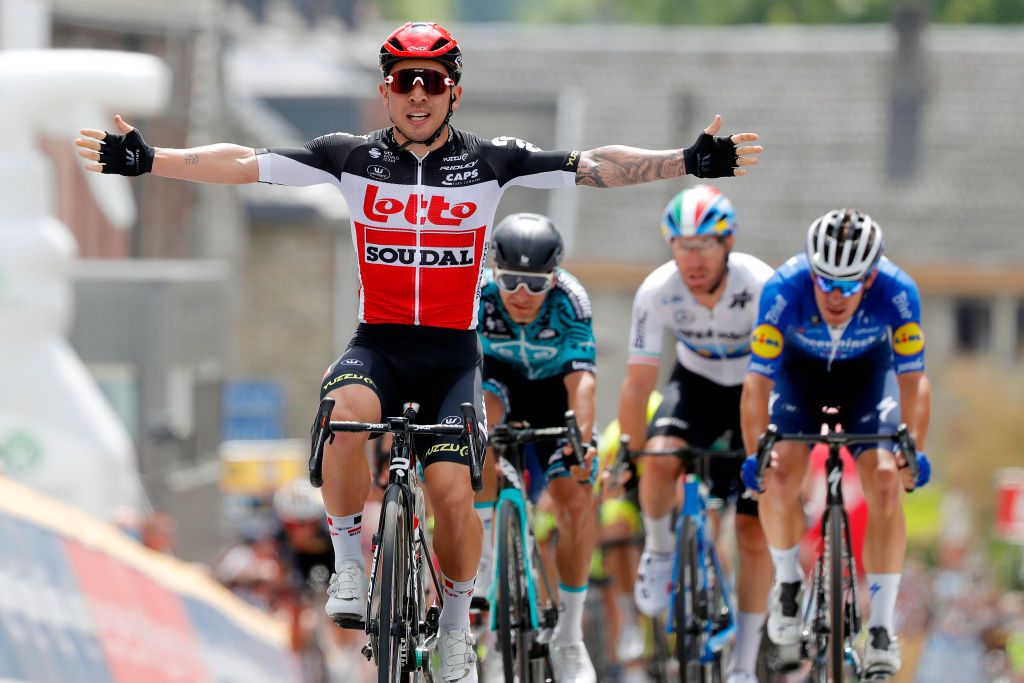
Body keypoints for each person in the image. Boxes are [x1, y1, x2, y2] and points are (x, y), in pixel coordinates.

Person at [76, 21, 762, 682]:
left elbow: (592, 166)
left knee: (450, 492)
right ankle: (350, 561)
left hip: (452, 358)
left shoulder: (489, 162)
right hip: (378, 343)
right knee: (343, 411)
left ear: (453, 90)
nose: (418, 94)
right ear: (386, 88)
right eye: (404, 79)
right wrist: (153, 160)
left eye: (432, 81)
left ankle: (459, 623)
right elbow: (243, 164)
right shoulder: (350, 156)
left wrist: (682, 162)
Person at [739, 208, 932, 681]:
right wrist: (754, 454)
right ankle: (787, 582)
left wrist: (914, 451)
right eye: (825, 282)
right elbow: (756, 386)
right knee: (780, 471)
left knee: (885, 479)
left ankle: (882, 629)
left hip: (868, 379)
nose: (835, 295)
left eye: (849, 285)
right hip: (798, 379)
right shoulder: (783, 289)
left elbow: (914, 382)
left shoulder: (899, 291)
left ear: (871, 279)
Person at [616, 185, 775, 683]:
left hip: (756, 388)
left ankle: (746, 661)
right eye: (682, 245)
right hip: (696, 384)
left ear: (727, 245)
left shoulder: (762, 284)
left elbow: (781, 374)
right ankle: (661, 551)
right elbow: (639, 383)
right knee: (659, 459)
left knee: (751, 528)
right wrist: (628, 452)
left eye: (704, 244)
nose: (693, 258)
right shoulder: (657, 290)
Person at [472, 213, 599, 681]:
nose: (521, 295)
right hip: (497, 387)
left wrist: (579, 444)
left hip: (552, 395)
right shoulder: (477, 296)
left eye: (534, 283)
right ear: (493, 273)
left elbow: (582, 383)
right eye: (510, 282)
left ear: (555, 277)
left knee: (577, 493)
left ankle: (569, 633)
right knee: (478, 430)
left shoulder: (571, 300)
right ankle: (485, 561)